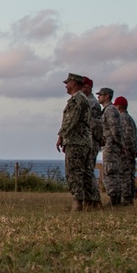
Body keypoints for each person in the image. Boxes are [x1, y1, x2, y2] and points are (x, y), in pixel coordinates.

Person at [56, 73, 95, 212]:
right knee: (85, 173)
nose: (66, 86)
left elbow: (70, 120)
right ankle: (90, 203)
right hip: (83, 141)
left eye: (67, 83)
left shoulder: (76, 100)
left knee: (74, 172)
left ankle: (77, 203)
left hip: (76, 141)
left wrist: (61, 136)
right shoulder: (83, 99)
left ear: (73, 83)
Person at [97, 87, 124, 207]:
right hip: (109, 144)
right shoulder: (108, 110)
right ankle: (114, 199)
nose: (99, 97)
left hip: (111, 145)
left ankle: (114, 200)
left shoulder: (110, 110)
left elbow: (115, 129)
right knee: (110, 171)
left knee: (110, 171)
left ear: (107, 96)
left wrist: (117, 143)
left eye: (101, 95)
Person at [81, 76, 104, 208]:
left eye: (82, 86)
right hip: (87, 140)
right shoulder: (86, 101)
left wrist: (97, 139)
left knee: (88, 171)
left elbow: (95, 125)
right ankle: (89, 200)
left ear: (88, 88)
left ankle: (94, 200)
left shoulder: (92, 103)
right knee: (85, 171)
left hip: (91, 141)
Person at [115, 96, 137, 205]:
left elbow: (128, 136)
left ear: (119, 106)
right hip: (130, 151)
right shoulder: (129, 118)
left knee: (125, 175)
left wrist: (126, 148)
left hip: (126, 152)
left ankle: (126, 198)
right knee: (128, 175)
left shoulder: (123, 119)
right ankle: (129, 197)